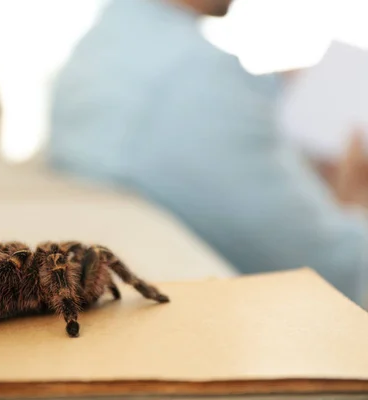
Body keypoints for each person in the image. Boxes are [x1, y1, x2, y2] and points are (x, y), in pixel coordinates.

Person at [45, 0, 368, 306]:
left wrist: (266, 88)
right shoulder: (195, 76)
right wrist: (355, 197)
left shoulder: (104, 46)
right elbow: (329, 266)